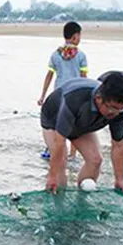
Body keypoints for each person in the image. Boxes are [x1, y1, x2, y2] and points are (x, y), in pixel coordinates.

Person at [41, 73, 123, 194]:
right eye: (112, 108)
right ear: (99, 98)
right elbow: (60, 141)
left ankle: (81, 200)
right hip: (53, 121)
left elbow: (119, 145)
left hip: (82, 125)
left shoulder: (120, 111)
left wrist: (119, 179)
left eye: (120, 109)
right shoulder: (75, 99)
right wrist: (52, 176)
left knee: (95, 160)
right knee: (61, 162)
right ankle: (58, 201)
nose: (115, 113)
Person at [37, 21, 88, 159]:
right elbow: (84, 78)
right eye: (79, 35)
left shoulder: (55, 55)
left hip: (58, 94)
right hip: (76, 94)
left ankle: (55, 150)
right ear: (75, 36)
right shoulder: (81, 56)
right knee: (75, 125)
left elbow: (49, 75)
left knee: (58, 123)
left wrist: (43, 95)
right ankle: (72, 155)